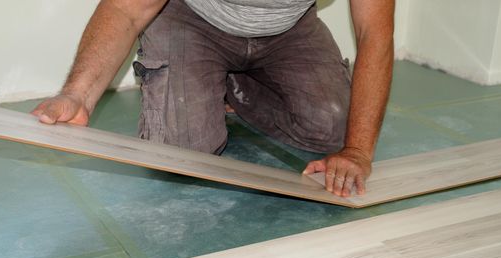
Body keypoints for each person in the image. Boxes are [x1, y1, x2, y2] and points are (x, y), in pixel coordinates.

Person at [31, 0, 394, 198]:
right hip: (192, 18)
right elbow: (126, 9)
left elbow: (374, 33)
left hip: (288, 28)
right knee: (181, 154)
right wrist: (77, 95)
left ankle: (232, 82)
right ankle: (205, 73)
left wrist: (357, 151)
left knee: (334, 127)